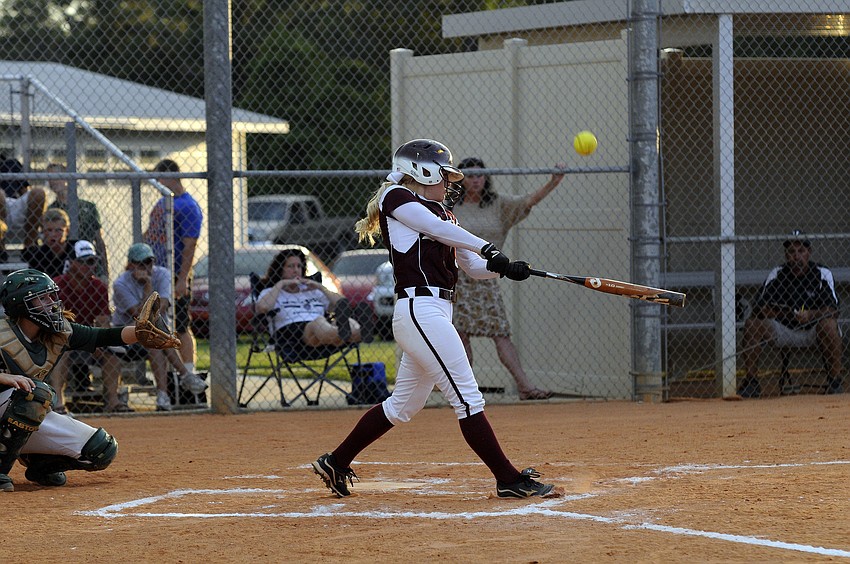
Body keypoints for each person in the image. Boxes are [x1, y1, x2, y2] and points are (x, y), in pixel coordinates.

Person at [311, 139, 556, 499]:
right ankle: (508, 478)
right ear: (422, 172)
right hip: (418, 310)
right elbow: (437, 230)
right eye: (444, 175)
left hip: (436, 312)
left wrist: (505, 268)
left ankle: (337, 460)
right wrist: (489, 247)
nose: (449, 183)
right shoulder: (397, 198)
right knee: (467, 397)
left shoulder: (446, 216)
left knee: (403, 406)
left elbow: (471, 266)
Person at [0, 267, 174, 492]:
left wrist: (141, 333)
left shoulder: (58, 332)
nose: (51, 303)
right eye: (41, 299)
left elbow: (101, 336)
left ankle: (39, 465)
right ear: (21, 305)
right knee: (35, 395)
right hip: (15, 403)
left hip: (15, 413)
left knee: (101, 449)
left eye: (51, 296)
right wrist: (4, 376)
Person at [450, 156, 565, 400]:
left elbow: (527, 202)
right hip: (458, 278)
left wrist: (553, 182)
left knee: (500, 332)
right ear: (460, 178)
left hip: (487, 277)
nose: (475, 179)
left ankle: (525, 387)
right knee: (460, 334)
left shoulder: (497, 204)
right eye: (469, 175)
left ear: (486, 177)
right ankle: (464, 393)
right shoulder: (452, 206)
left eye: (480, 174)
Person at [739, 230, 843, 398]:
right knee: (753, 324)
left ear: (809, 253)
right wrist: (787, 314)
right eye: (791, 252)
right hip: (784, 329)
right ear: (786, 255)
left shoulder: (821, 273)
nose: (796, 257)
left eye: (801, 251)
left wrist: (810, 315)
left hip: (812, 329)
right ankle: (751, 382)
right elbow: (759, 308)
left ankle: (835, 381)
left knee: (830, 324)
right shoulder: (778, 274)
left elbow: (834, 310)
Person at [112, 243, 208, 411]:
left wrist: (150, 289)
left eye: (149, 262)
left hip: (154, 335)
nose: (146, 266)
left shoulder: (163, 274)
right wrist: (148, 285)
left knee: (154, 341)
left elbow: (162, 307)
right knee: (152, 333)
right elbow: (140, 316)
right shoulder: (120, 284)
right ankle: (185, 375)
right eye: (140, 263)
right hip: (126, 334)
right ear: (131, 264)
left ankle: (163, 397)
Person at [52, 241, 131, 413]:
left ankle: (113, 401)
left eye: (92, 261)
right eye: (84, 261)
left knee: (113, 350)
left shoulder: (99, 287)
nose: (90, 266)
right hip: (64, 338)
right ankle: (58, 404)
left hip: (88, 338)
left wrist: (99, 343)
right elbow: (54, 326)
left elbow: (103, 322)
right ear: (72, 263)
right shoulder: (57, 286)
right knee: (61, 348)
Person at [143, 159, 202, 377]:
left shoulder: (187, 206)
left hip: (176, 270)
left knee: (180, 324)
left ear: (170, 177)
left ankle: (188, 372)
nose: (157, 183)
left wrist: (182, 279)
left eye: (159, 178)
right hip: (156, 270)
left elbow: (190, 245)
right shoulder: (163, 202)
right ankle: (169, 373)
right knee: (160, 323)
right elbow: (150, 233)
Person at [255, 248, 363, 349]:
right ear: (280, 269)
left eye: (299, 266)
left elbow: (343, 305)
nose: (296, 270)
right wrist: (281, 284)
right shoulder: (272, 291)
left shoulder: (312, 290)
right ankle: (350, 334)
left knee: (346, 321)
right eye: (290, 266)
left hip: (322, 333)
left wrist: (321, 287)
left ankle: (346, 333)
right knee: (319, 322)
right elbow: (262, 308)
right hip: (291, 334)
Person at [46, 163, 109, 280]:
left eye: (56, 177)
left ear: (66, 178)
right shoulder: (51, 210)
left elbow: (99, 240)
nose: (52, 182)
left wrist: (105, 272)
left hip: (91, 264)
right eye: (49, 178)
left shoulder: (88, 207)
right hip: (64, 267)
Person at [0, 158, 46, 262]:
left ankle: (29, 248)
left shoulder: (10, 163)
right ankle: (1, 250)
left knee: (38, 193)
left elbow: (25, 191)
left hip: (14, 204)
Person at [22, 208, 76, 277]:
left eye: (58, 230)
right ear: (43, 231)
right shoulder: (38, 256)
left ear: (67, 231)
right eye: (49, 230)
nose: (53, 234)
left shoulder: (75, 251)